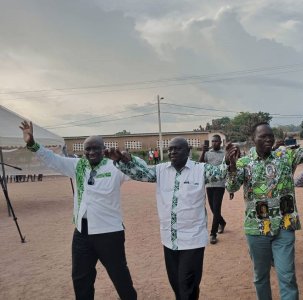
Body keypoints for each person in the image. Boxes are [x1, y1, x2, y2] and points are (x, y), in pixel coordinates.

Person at [225, 96, 303, 300]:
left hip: (284, 227)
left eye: (270, 136)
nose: (268, 139)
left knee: (287, 276)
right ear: (253, 140)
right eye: (263, 136)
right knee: (260, 277)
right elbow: (231, 187)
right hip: (256, 230)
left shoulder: (285, 156)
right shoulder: (244, 163)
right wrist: (231, 167)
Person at [19, 121, 137, 300]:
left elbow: (139, 169)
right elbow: (54, 160)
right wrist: (32, 144)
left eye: (95, 148)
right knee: (81, 278)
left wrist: (127, 159)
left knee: (120, 277)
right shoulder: (78, 165)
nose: (91, 153)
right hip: (82, 233)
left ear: (104, 149)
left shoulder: (115, 166)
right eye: (87, 149)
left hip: (109, 233)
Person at [105, 137, 231, 300]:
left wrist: (227, 160)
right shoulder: (160, 170)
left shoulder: (200, 170)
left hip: (193, 239)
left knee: (187, 284)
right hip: (169, 239)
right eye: (170, 149)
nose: (172, 152)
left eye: (177, 149)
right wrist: (122, 159)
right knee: (177, 284)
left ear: (188, 151)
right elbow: (140, 173)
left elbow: (220, 172)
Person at [199, 134, 230, 244]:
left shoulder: (224, 154)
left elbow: (228, 167)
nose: (214, 143)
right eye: (213, 141)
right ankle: (222, 222)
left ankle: (213, 234)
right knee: (213, 209)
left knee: (216, 209)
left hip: (220, 185)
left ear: (220, 142)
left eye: (216, 141)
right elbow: (200, 164)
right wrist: (203, 151)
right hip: (209, 184)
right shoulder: (207, 153)